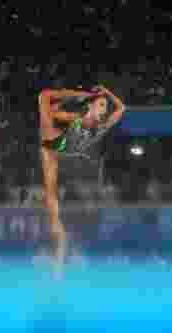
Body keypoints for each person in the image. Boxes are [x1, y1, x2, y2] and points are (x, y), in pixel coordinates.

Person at [38, 85, 126, 269]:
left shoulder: (101, 124)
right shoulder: (77, 118)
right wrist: (83, 96)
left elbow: (122, 108)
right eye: (101, 105)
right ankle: (58, 236)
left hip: (62, 147)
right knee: (50, 192)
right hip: (53, 146)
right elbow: (53, 112)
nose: (104, 109)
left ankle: (59, 240)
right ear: (91, 106)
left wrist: (106, 92)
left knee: (46, 99)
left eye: (105, 106)